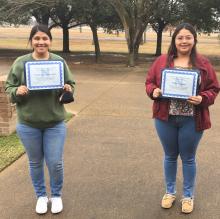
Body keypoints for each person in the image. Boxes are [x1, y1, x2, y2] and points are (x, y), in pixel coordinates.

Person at [145, 23, 219, 213]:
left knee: (188, 158)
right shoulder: (162, 61)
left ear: (194, 40)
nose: (184, 41)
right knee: (170, 157)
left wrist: (203, 98)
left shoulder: (203, 63)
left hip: (192, 120)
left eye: (188, 37)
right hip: (165, 118)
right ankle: (170, 192)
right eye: (180, 37)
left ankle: (188, 196)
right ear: (174, 40)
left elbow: (214, 88)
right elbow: (150, 82)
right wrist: (154, 91)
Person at [5, 24, 75, 214]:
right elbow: (8, 88)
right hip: (28, 124)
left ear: (50, 41)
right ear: (31, 41)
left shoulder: (58, 61)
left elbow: (71, 83)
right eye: (37, 38)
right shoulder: (21, 63)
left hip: (55, 123)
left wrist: (68, 88)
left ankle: (57, 195)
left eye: (45, 38)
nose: (41, 42)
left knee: (55, 162)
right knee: (35, 162)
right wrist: (16, 91)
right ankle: (41, 196)